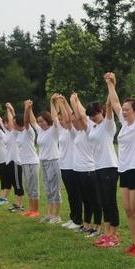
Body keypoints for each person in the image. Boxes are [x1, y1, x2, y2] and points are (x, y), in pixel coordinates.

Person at [106, 72, 135, 255]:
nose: (123, 111)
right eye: (123, 109)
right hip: (123, 170)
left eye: (127, 109)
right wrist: (110, 84)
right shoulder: (124, 124)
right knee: (128, 210)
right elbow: (114, 103)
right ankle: (134, 243)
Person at [84, 76, 120, 248]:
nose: (93, 117)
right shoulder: (94, 127)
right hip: (98, 167)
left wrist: (110, 85)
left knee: (110, 201)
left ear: (101, 112)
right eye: (90, 115)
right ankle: (106, 234)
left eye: (95, 114)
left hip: (109, 167)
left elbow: (109, 105)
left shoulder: (107, 124)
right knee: (103, 202)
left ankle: (114, 235)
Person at [69, 93, 102, 236]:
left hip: (89, 169)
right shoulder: (78, 133)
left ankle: (97, 227)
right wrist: (74, 103)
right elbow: (81, 116)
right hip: (79, 170)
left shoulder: (89, 130)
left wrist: (74, 102)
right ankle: (87, 224)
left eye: (74, 120)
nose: (73, 123)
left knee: (94, 200)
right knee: (85, 200)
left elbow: (83, 116)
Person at [28, 96, 63, 224]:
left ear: (47, 120)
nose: (40, 123)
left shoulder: (54, 130)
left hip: (54, 161)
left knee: (55, 189)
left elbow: (55, 117)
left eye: (42, 121)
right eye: (39, 121)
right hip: (43, 161)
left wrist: (52, 102)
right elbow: (32, 121)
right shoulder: (40, 131)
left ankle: (56, 216)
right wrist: (29, 108)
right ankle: (48, 215)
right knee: (48, 189)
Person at [53, 94, 84, 231]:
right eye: (59, 120)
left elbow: (68, 117)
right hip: (64, 166)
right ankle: (73, 218)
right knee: (71, 195)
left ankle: (78, 220)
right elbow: (54, 116)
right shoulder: (61, 131)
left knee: (76, 195)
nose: (61, 121)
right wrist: (54, 102)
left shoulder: (73, 131)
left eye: (62, 119)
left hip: (73, 166)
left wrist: (63, 102)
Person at [0, 105, 25, 213]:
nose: (5, 124)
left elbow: (10, 119)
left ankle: (20, 205)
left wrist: (9, 109)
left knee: (18, 184)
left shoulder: (15, 132)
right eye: (4, 123)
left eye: (7, 122)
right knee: (14, 183)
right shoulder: (7, 133)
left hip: (16, 162)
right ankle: (17, 204)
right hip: (9, 161)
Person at [17, 100, 41, 218]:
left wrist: (27, 108)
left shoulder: (28, 131)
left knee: (34, 187)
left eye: (13, 122)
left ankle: (35, 210)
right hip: (24, 163)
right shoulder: (19, 133)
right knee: (28, 187)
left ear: (18, 123)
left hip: (32, 162)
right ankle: (31, 209)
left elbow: (27, 121)